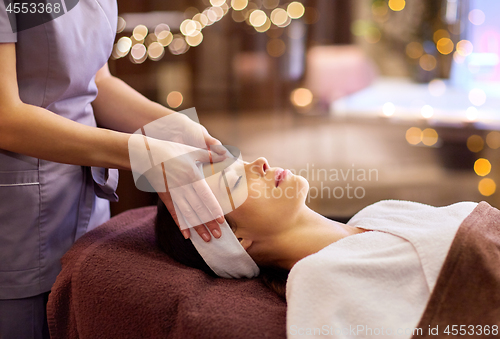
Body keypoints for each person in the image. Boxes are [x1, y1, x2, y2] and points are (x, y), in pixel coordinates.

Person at [0, 2, 223, 338]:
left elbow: (96, 82)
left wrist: (170, 126)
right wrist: (143, 154)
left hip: (85, 204)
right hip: (19, 220)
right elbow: (6, 119)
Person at [156, 157, 480, 338]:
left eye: (240, 160)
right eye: (236, 181)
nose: (260, 162)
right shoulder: (317, 278)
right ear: (235, 241)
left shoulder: (384, 211)